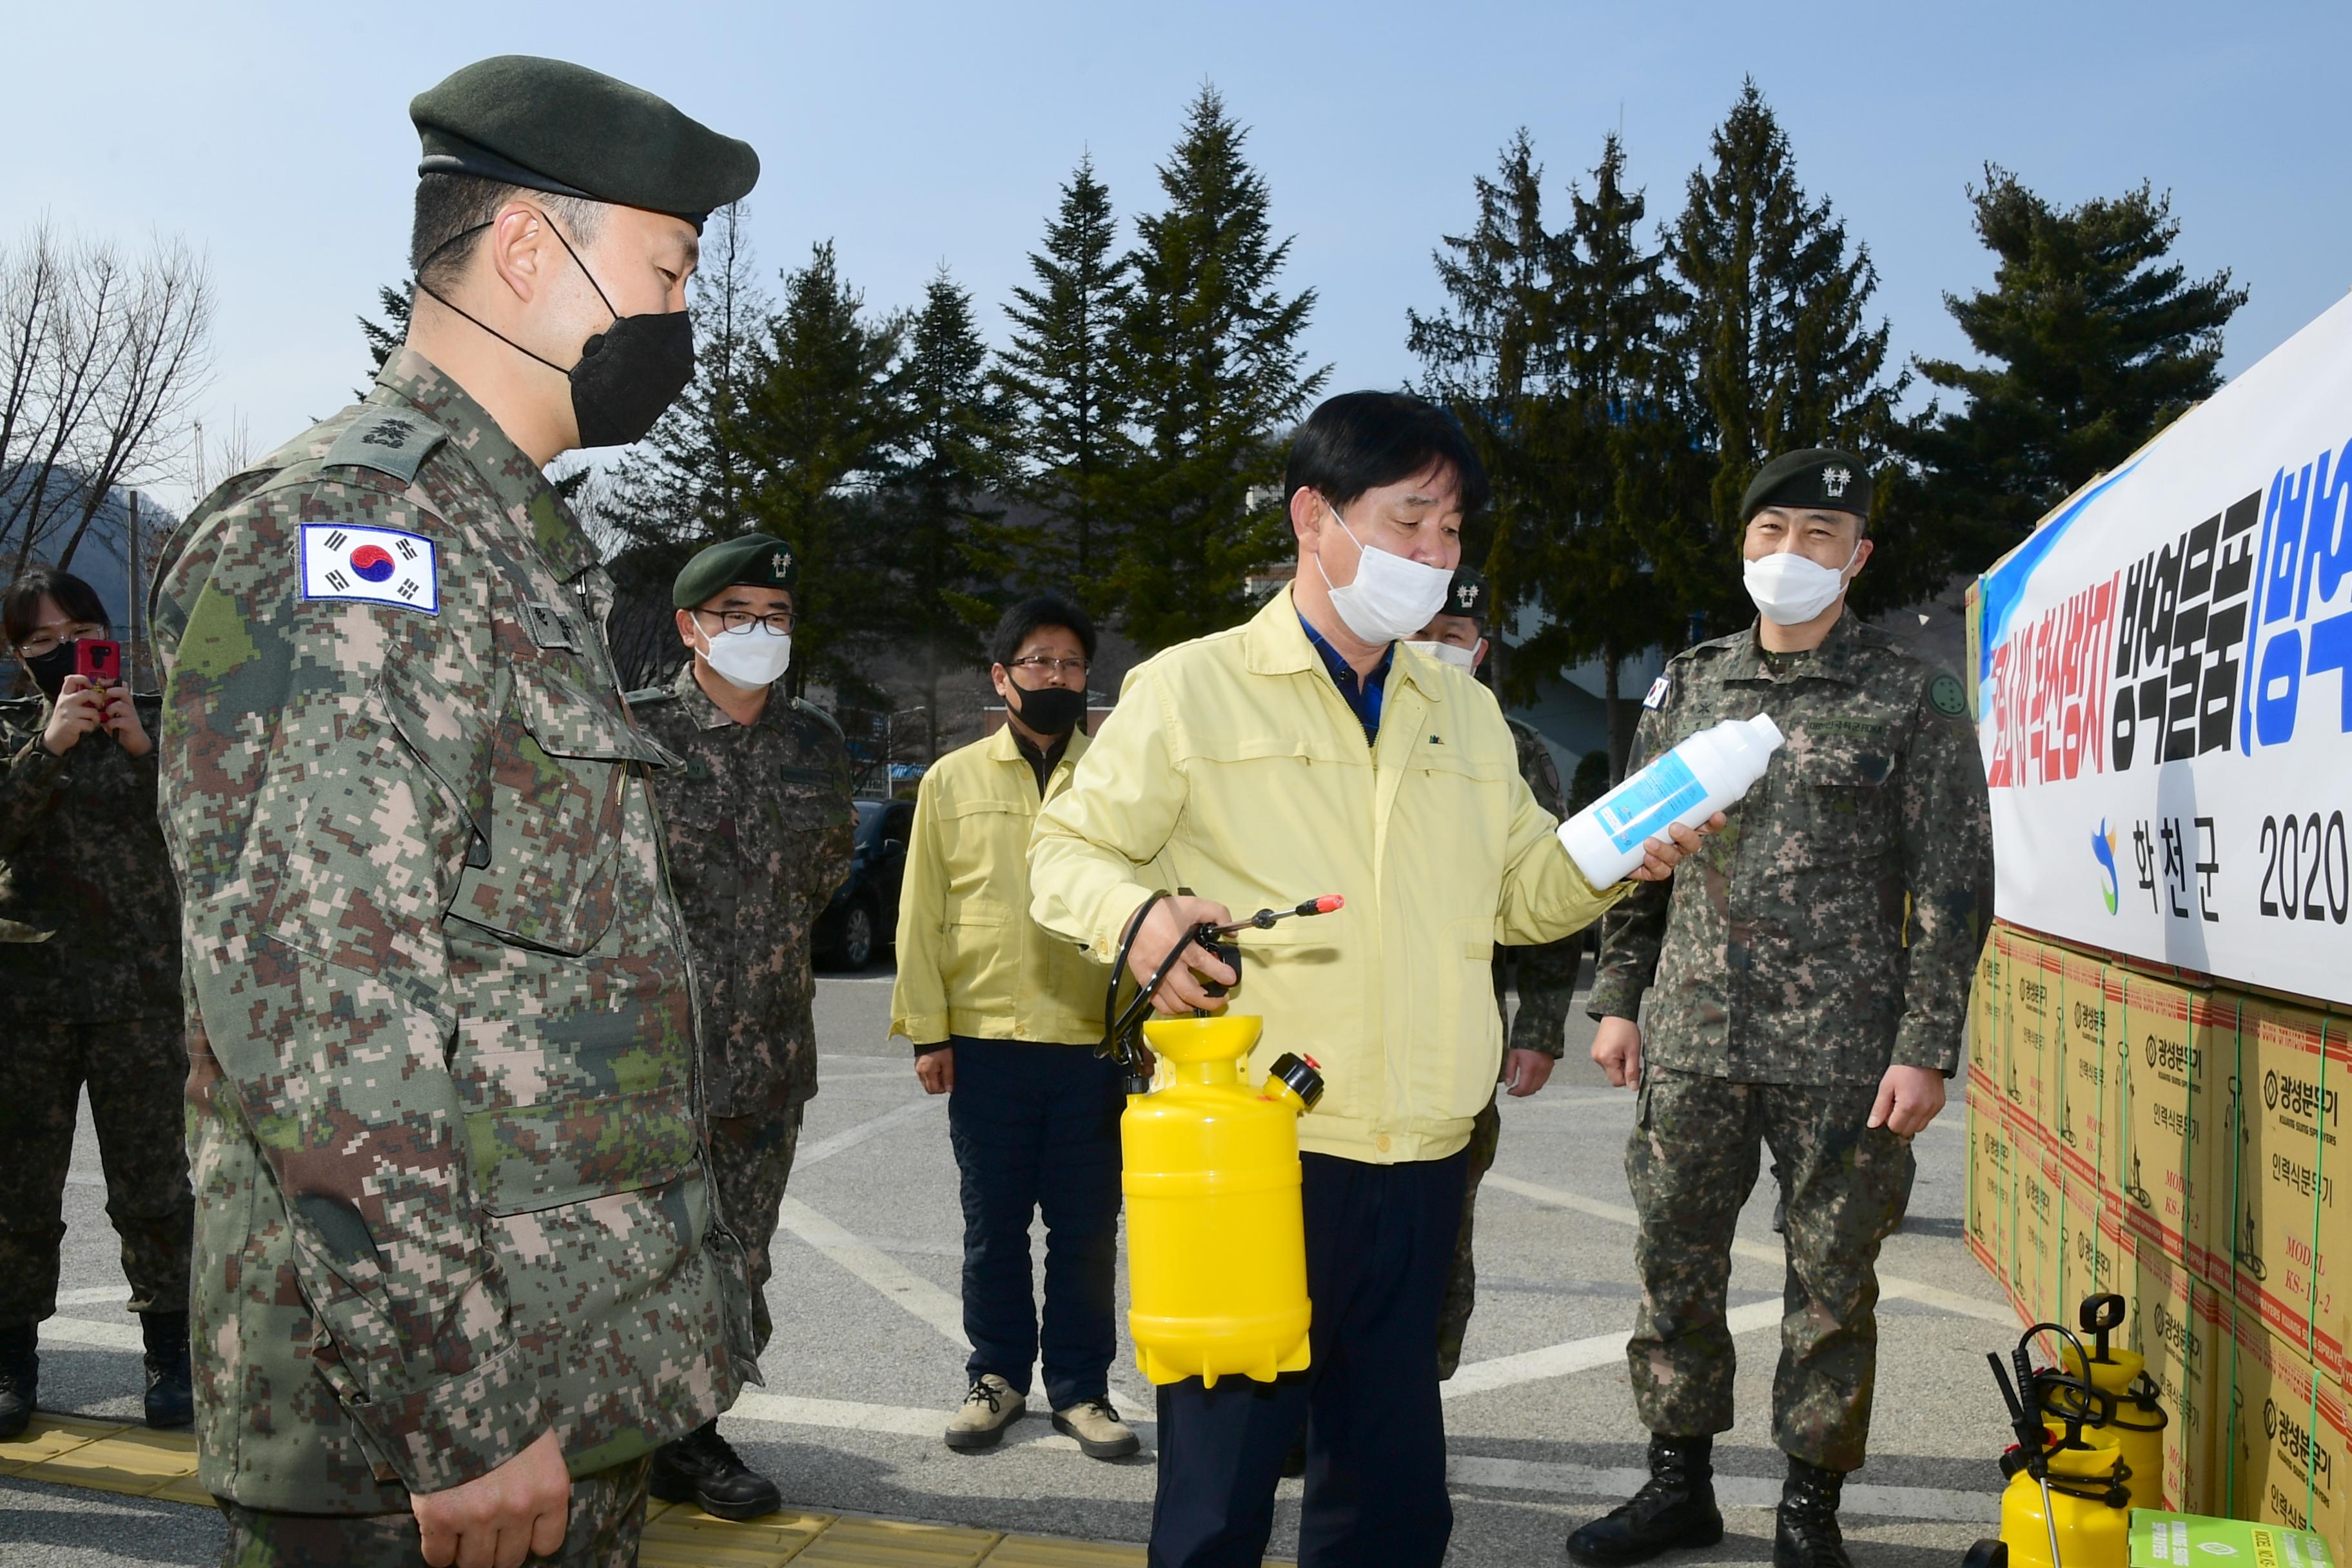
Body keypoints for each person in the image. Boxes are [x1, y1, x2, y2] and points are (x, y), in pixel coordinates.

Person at [148, 55, 762, 1568]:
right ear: (526, 253)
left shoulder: (502, 552)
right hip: (420, 1448)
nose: (685, 321)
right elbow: (323, 1019)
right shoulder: (351, 544)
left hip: (552, 1397)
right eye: (670, 268)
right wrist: (461, 1410)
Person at [1026, 390, 1712, 1568]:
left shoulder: (1462, 707)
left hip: (1424, 1149)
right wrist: (1136, 919)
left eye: (1451, 533)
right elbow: (1060, 853)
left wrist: (1616, 859)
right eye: (1409, 523)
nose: (1435, 558)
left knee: (1389, 1487)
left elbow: (1518, 895)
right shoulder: (1192, 688)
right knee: (1220, 1486)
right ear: (1313, 518)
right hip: (1258, 1147)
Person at [1568, 449, 1994, 1568]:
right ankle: (1677, 1484)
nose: (1789, 554)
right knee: (1674, 1261)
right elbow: (1632, 851)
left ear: (1856, 555)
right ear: (1741, 546)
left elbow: (1952, 887)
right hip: (1694, 1034)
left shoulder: (1911, 694)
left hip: (1846, 1055)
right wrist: (1617, 997)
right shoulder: (1689, 683)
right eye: (1770, 532)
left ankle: (1808, 1508)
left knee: (1830, 1281)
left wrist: (1925, 1047)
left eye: (1818, 533)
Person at [627, 534, 854, 1519]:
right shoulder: (627, 735)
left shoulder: (815, 746)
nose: (760, 632)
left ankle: (692, 1434)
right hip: (646, 1064)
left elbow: (824, 878)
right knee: (639, 1256)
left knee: (741, 1259)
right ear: (689, 627)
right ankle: (626, 1428)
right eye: (737, 615)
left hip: (767, 1060)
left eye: (777, 615)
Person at [889, 596, 1134, 1461]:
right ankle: (995, 1377)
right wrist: (928, 1030)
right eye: (1038, 663)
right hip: (987, 1041)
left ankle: (1081, 1388)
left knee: (1086, 1229)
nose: (1057, 678)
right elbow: (923, 911)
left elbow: (1149, 911)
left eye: (1071, 664)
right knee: (993, 1226)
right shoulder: (951, 781)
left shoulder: (1118, 781)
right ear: (1002, 677)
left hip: (1090, 1045)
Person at [0, 567, 195, 1438]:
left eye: (77, 632)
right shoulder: (11, 733)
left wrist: (143, 753)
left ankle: (172, 1356)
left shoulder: (164, 728)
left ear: (107, 634)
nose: (63, 653)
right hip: (24, 1004)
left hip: (141, 999)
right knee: (16, 1194)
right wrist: (48, 748)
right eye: (40, 643)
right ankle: (11, 1362)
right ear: (17, 657)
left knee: (154, 1191)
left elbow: (211, 834)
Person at [1402, 569, 1586, 1382]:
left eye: (1457, 634)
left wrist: (1542, 1030)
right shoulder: (1346, 727)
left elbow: (1545, 898)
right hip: (1339, 1018)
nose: (1440, 645)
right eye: (1427, 628)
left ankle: (1422, 1381)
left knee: (1447, 1216)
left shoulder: (1515, 747)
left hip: (1463, 1026)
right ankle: (1308, 1409)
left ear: (1479, 650)